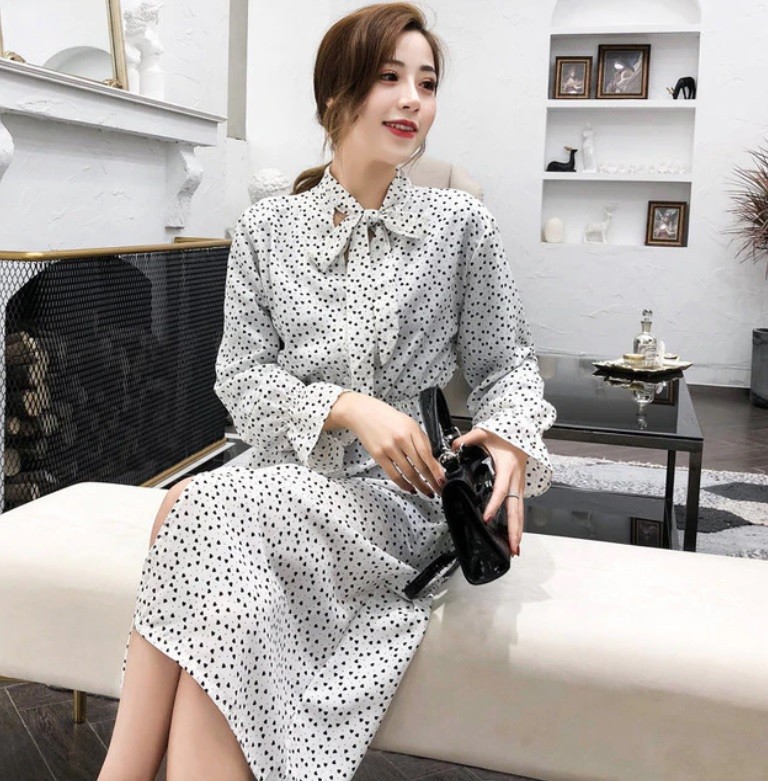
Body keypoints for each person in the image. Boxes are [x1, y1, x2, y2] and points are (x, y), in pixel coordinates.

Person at [98, 4, 555, 780]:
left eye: (427, 83)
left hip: (401, 498)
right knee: (207, 539)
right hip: (281, 481)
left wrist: (510, 436)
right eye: (390, 77)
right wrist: (345, 407)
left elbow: (507, 363)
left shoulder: (460, 226)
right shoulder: (265, 230)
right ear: (336, 95)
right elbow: (240, 377)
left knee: (192, 504)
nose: (413, 99)